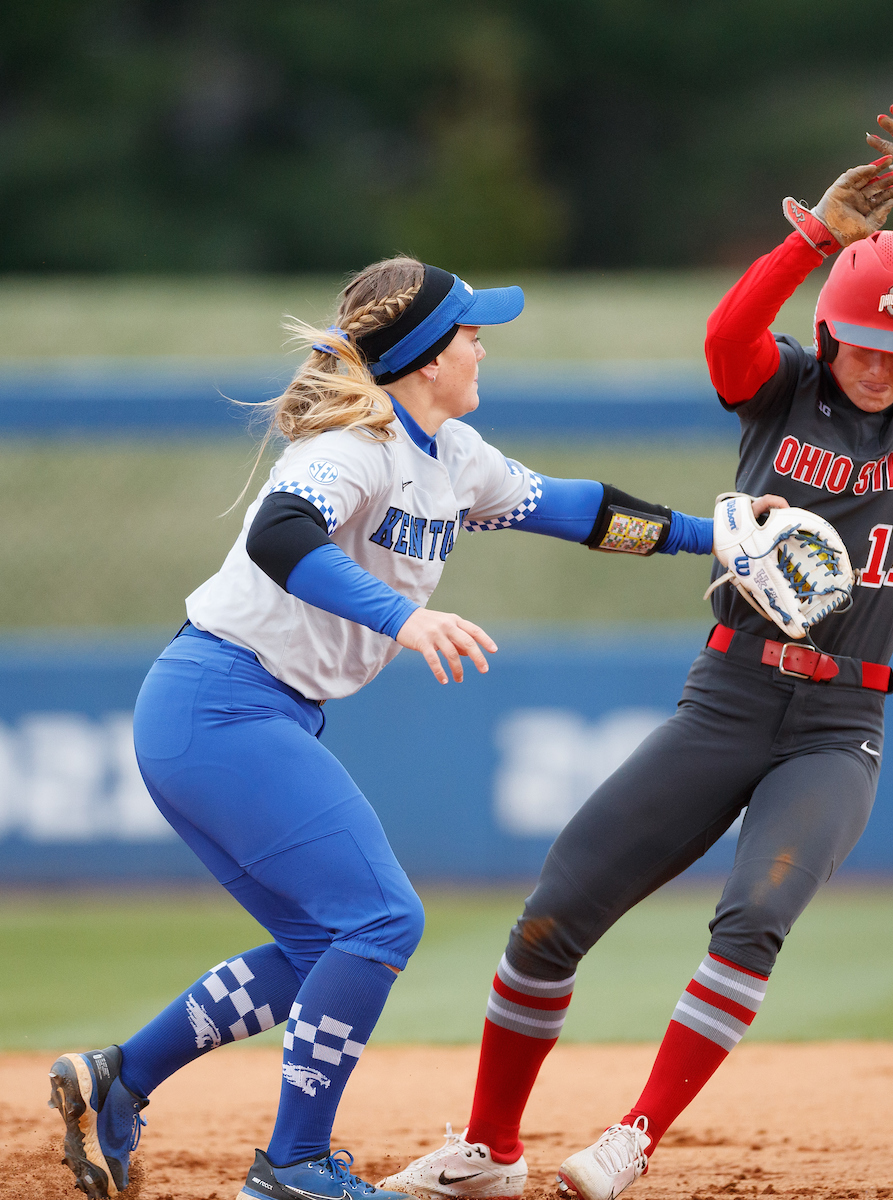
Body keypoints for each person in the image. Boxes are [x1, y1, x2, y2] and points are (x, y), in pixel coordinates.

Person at [380, 105, 893, 1200]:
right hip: (729, 697)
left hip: (840, 727)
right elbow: (725, 338)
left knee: (754, 917)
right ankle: (489, 1152)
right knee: (553, 916)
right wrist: (809, 246)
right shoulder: (782, 385)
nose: (883, 366)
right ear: (830, 327)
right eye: (864, 341)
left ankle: (634, 1137)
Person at [46, 258, 715, 1200]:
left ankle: (118, 1081)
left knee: (325, 947)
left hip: (243, 712)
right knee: (382, 918)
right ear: (426, 357)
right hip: (219, 703)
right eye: (471, 330)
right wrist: (404, 619)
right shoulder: (352, 449)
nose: (483, 343)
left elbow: (580, 509)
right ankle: (294, 1166)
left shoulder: (454, 456)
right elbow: (281, 535)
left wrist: (713, 537)